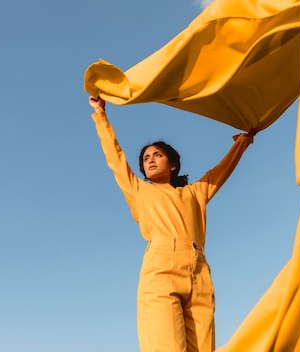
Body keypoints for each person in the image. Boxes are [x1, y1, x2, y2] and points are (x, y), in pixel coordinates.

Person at [88, 96, 254, 352]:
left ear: (173, 164)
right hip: (161, 269)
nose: (150, 159)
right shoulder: (139, 190)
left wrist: (243, 140)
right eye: (145, 158)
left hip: (199, 270)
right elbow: (115, 157)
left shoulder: (195, 193)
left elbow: (221, 171)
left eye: (158, 155)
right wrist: (100, 114)